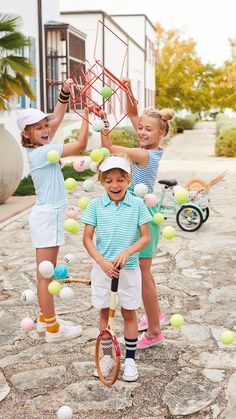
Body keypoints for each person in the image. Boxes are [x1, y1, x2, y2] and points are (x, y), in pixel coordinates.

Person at [100, 80, 175, 349]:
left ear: (160, 133)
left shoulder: (143, 155)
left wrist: (104, 126)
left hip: (142, 216)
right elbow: (134, 114)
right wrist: (128, 90)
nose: (141, 131)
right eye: (140, 128)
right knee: (144, 274)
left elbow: (110, 149)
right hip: (141, 213)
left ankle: (154, 330)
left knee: (144, 276)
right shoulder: (150, 146)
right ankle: (154, 317)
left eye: (147, 129)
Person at [17, 79, 89, 343]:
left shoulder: (41, 146)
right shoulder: (42, 153)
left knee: (45, 273)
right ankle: (53, 330)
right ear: (26, 133)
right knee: (46, 275)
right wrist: (87, 116)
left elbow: (57, 117)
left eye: (45, 125)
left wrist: (65, 93)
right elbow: (80, 146)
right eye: (38, 127)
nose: (46, 129)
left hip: (48, 214)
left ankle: (45, 321)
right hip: (48, 216)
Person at [82, 154, 152, 381]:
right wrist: (102, 262)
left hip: (129, 269)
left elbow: (145, 237)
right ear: (102, 182)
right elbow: (87, 239)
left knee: (129, 312)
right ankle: (107, 357)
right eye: (109, 180)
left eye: (120, 179)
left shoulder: (138, 205)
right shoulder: (95, 206)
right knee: (105, 311)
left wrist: (128, 251)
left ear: (129, 180)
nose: (115, 185)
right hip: (103, 271)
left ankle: (130, 360)